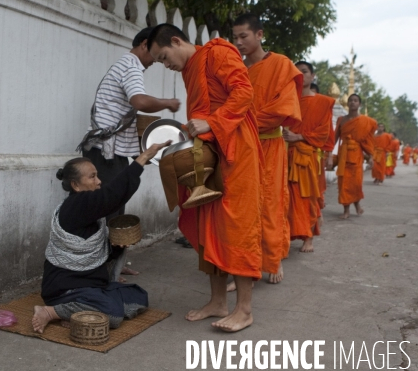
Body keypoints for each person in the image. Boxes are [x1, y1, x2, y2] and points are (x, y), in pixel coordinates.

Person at [148, 24, 264, 332]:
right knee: (209, 224)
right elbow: (202, 115)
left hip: (236, 152)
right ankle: (217, 301)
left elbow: (244, 93)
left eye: (164, 57)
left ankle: (244, 309)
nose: (166, 65)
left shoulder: (217, 53)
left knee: (237, 228)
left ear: (176, 41)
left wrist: (211, 122)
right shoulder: (191, 69)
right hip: (210, 151)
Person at [32, 141, 171, 333]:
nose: (99, 181)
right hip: (65, 288)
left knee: (137, 296)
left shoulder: (90, 211)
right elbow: (112, 196)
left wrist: (117, 246)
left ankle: (77, 315)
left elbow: (99, 255)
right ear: (76, 185)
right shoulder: (76, 205)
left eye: (97, 176)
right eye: (92, 177)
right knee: (113, 315)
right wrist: (143, 158)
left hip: (91, 285)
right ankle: (50, 312)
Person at [77, 27, 181, 278]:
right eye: (156, 56)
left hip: (108, 152)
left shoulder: (125, 64)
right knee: (108, 209)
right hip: (107, 154)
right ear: (144, 44)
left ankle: (115, 263)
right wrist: (168, 102)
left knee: (114, 208)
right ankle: (103, 270)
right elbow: (140, 102)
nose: (156, 62)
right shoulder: (131, 65)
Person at [230, 13, 302, 285]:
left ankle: (273, 260)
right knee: (242, 207)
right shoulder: (237, 69)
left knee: (270, 203)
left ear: (259, 34)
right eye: (235, 37)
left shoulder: (281, 65)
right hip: (241, 146)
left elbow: (283, 109)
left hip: (270, 145)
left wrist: (243, 121)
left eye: (243, 36)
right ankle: (241, 265)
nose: (239, 42)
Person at [283, 61, 334, 253]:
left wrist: (300, 137)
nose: (301, 75)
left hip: (307, 157)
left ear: (312, 76)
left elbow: (323, 133)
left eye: (304, 72)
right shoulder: (288, 99)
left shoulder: (323, 102)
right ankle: (286, 236)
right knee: (287, 200)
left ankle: (309, 237)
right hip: (286, 156)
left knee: (308, 198)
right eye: (297, 72)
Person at [335, 94, 377, 219]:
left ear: (359, 104)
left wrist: (371, 157)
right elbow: (334, 138)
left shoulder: (365, 121)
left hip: (357, 156)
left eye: (355, 100)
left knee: (356, 184)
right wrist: (328, 154)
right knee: (343, 184)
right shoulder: (341, 120)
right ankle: (346, 210)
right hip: (343, 156)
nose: (353, 102)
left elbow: (367, 141)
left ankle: (357, 205)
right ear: (347, 104)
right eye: (350, 100)